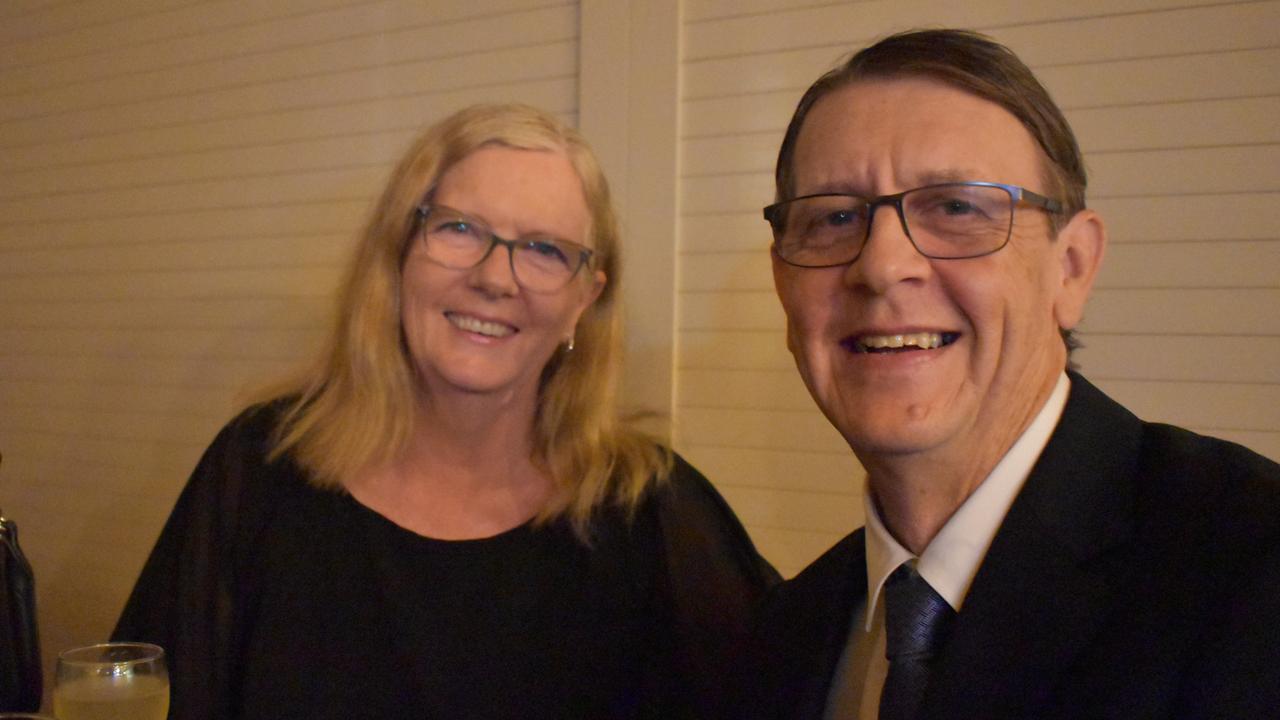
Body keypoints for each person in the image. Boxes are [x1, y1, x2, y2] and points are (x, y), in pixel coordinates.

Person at [114, 103, 777, 720]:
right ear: (397, 256)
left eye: (545, 249)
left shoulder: (650, 508)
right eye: (459, 228)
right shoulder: (258, 470)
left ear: (584, 300)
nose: (495, 278)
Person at [729, 29, 1280, 720]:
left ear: (1072, 267)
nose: (880, 266)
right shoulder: (780, 637)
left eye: (956, 208)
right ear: (782, 280)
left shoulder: (1250, 570)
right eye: (835, 218)